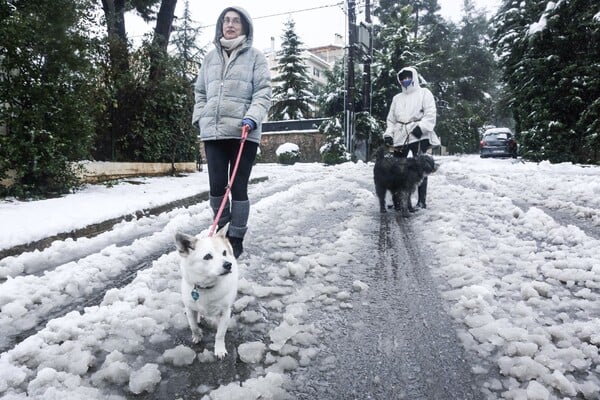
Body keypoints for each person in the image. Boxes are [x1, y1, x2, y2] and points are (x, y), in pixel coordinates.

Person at [192, 6, 271, 258]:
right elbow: (200, 92)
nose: (230, 24)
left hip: (244, 132)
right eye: (226, 20)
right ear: (220, 25)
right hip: (214, 132)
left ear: (245, 26)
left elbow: (263, 92)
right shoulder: (209, 58)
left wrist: (252, 116)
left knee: (238, 186)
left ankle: (236, 237)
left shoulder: (256, 57)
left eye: (236, 21)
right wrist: (201, 117)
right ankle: (223, 229)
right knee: (216, 187)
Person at [382, 66, 439, 210]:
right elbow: (391, 120)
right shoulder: (397, 98)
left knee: (421, 167)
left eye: (408, 78)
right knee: (397, 168)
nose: (405, 81)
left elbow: (431, 113)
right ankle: (397, 200)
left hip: (419, 134)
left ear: (413, 77)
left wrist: (422, 128)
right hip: (401, 136)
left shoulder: (424, 93)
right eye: (402, 79)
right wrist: (389, 134)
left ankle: (421, 201)